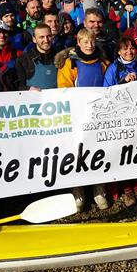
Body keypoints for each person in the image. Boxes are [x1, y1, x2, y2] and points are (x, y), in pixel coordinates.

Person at [55, 28, 110, 211]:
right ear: (78, 43)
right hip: (78, 115)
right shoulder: (70, 63)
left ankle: (98, 189)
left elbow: (109, 83)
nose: (89, 45)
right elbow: (63, 88)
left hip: (99, 115)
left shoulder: (102, 62)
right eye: (85, 42)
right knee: (77, 153)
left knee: (98, 152)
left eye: (92, 41)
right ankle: (77, 191)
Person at [14, 24, 58, 91]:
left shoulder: (59, 56)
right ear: (34, 39)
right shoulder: (24, 60)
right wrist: (28, 89)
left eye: (48, 36)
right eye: (41, 37)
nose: (46, 40)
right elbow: (17, 86)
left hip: (58, 99)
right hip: (34, 100)